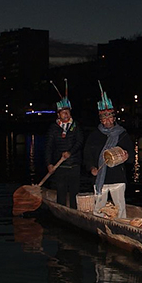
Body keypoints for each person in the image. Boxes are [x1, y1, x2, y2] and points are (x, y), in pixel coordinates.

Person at [83, 85, 134, 218]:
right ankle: (99, 228)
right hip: (101, 178)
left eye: (110, 117)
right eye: (104, 118)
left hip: (118, 178)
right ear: (101, 120)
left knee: (120, 209)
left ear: (114, 117)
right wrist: (92, 168)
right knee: (99, 210)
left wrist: (127, 156)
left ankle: (121, 228)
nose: (107, 121)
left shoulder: (122, 134)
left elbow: (131, 157)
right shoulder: (94, 135)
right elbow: (87, 154)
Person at [44, 80, 84, 208]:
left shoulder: (76, 125)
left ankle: (74, 213)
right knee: (61, 193)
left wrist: (70, 152)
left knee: (74, 193)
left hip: (74, 165)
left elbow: (79, 141)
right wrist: (49, 164)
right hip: (60, 167)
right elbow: (49, 147)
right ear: (58, 114)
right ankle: (61, 212)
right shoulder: (53, 128)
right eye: (63, 112)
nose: (66, 115)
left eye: (68, 112)